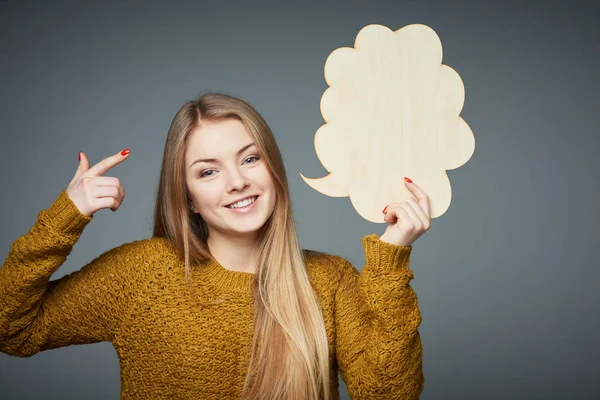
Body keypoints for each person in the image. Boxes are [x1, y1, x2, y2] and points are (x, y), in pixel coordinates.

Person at [0, 92, 430, 400]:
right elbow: (11, 328)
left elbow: (389, 393)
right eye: (208, 172)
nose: (237, 181)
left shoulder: (330, 280)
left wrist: (391, 258)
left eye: (249, 158)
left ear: (273, 169)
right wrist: (64, 216)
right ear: (187, 196)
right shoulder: (142, 274)